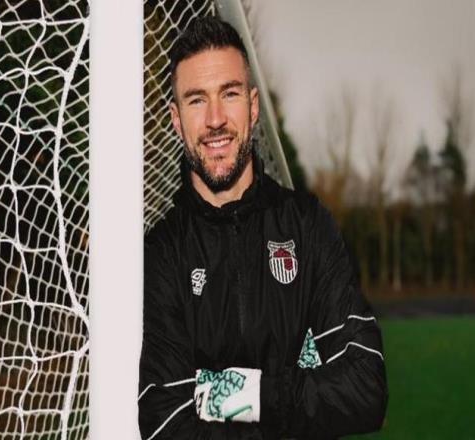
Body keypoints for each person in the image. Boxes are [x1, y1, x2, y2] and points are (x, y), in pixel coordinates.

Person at [139, 16, 388, 440]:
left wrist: (238, 394)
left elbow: (365, 389)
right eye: (197, 100)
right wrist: (297, 402)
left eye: (229, 94)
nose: (215, 119)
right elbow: (165, 422)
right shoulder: (162, 252)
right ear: (176, 120)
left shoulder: (308, 226)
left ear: (253, 106)